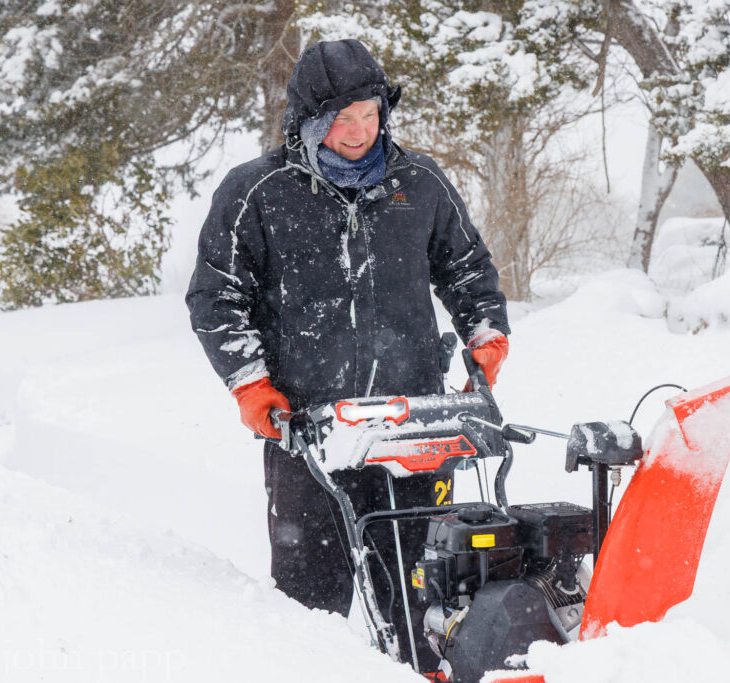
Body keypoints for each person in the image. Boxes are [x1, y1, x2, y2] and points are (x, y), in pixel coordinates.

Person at [185, 39, 510, 672]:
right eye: (343, 119)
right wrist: (250, 383)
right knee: (309, 613)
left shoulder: (419, 182)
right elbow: (216, 295)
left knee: (424, 601)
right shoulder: (258, 191)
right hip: (308, 433)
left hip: (413, 426)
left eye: (369, 115)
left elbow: (468, 268)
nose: (360, 131)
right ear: (308, 121)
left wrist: (486, 334)